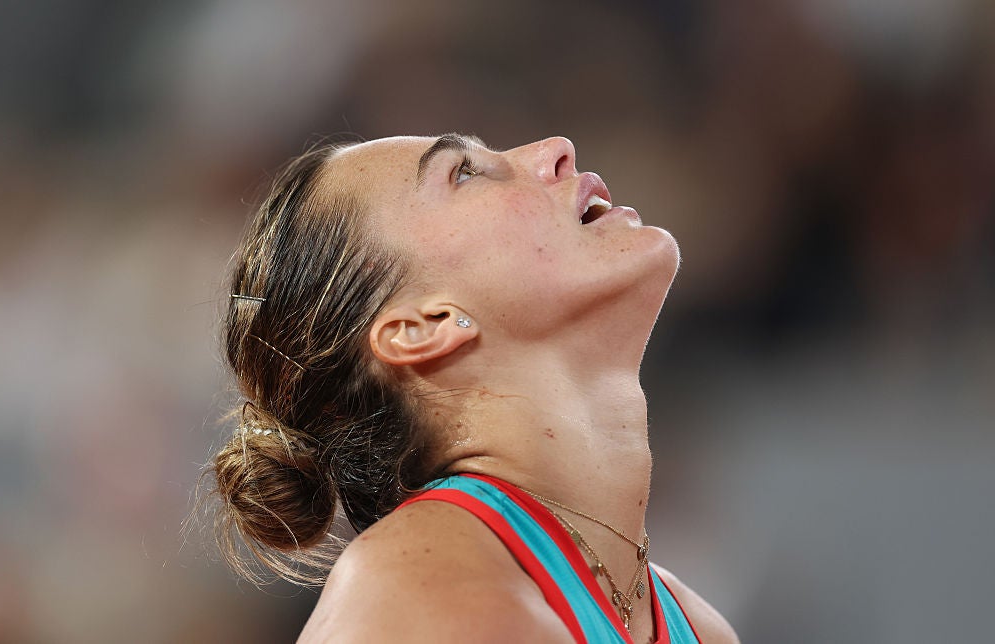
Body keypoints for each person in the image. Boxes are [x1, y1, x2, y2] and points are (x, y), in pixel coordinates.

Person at [210, 133, 740, 643]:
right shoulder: (418, 598)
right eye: (464, 173)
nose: (556, 148)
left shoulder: (704, 629)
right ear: (423, 327)